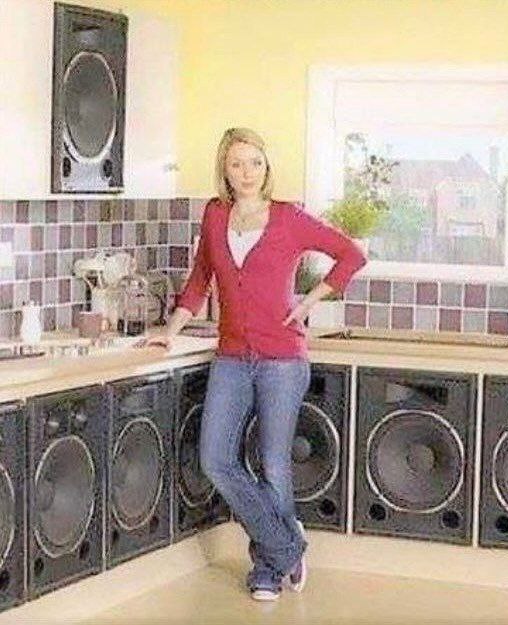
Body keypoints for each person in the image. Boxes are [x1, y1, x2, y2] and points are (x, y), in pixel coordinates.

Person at [142, 127, 367, 601]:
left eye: (255, 163)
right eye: (237, 164)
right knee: (215, 459)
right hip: (231, 357)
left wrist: (309, 301)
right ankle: (287, 545)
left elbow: (352, 254)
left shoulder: (289, 217)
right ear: (224, 170)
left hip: (282, 359)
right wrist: (172, 330)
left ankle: (267, 568)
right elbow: (200, 278)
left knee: (273, 465)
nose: (247, 173)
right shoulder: (215, 214)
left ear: (267, 167)